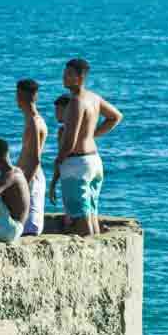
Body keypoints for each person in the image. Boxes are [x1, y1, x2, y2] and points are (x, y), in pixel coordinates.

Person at [55, 59, 123, 236]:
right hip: (94, 160)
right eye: (65, 73)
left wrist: (58, 162)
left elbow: (70, 140)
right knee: (90, 212)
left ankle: (90, 253)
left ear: (80, 77)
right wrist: (92, 135)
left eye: (69, 74)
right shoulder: (94, 98)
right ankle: (96, 252)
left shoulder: (76, 101)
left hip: (77, 164)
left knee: (80, 215)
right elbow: (115, 116)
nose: (64, 77)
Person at [16, 79, 48, 236]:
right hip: (28, 175)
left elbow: (35, 159)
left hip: (31, 176)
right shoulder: (33, 120)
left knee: (30, 227)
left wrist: (23, 183)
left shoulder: (35, 122)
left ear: (20, 95)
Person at [48, 94, 72, 230]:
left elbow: (60, 158)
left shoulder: (64, 131)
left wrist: (53, 183)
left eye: (59, 110)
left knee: (72, 212)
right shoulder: (81, 128)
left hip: (71, 172)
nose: (56, 114)